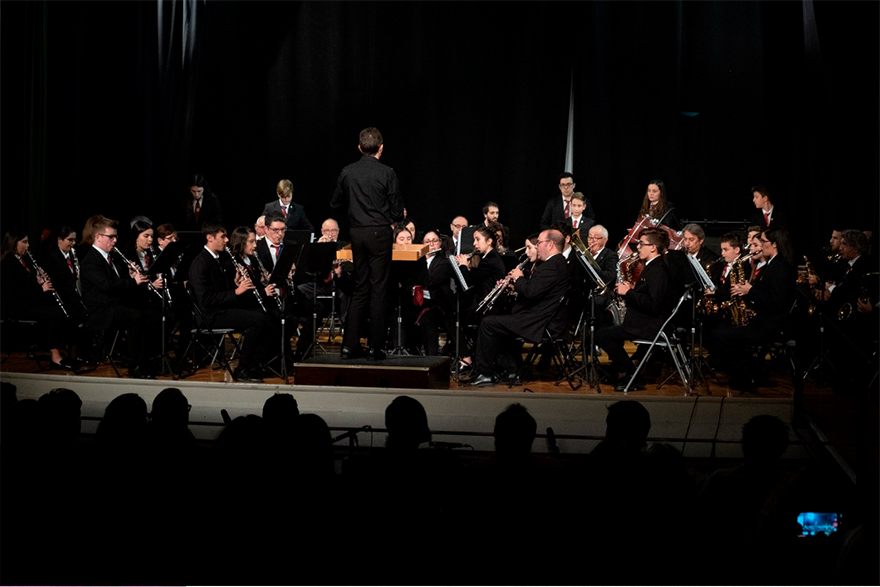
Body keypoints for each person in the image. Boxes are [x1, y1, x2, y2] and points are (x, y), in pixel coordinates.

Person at [330, 127, 404, 361]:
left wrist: (356, 212)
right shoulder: (387, 173)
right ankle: (376, 348)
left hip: (357, 233)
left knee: (361, 287)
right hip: (380, 232)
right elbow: (396, 212)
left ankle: (349, 346)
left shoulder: (347, 172)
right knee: (378, 289)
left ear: (360, 148)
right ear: (381, 148)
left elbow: (335, 204)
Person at [463, 229, 570, 385]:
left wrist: (519, 278)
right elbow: (537, 291)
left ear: (551, 244)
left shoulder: (553, 265)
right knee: (499, 321)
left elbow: (531, 292)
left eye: (539, 243)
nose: (537, 246)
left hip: (539, 322)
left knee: (488, 324)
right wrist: (513, 289)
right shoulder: (555, 264)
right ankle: (511, 370)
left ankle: (485, 373)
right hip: (536, 316)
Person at [709, 225, 797, 392]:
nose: (761, 245)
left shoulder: (781, 267)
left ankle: (748, 374)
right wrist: (746, 291)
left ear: (775, 244)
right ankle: (750, 372)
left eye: (763, 241)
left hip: (772, 324)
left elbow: (776, 302)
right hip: (762, 319)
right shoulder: (773, 264)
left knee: (721, 335)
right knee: (720, 329)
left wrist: (751, 291)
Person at [187, 223, 275, 382]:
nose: (227, 240)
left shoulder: (216, 259)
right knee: (257, 319)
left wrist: (235, 283)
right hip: (210, 316)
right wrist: (236, 292)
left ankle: (255, 364)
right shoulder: (201, 263)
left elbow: (220, 290)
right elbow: (206, 300)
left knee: (264, 316)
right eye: (222, 237)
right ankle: (242, 368)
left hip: (221, 310)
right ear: (209, 238)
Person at [79, 218, 161, 379]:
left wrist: (130, 274)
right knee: (136, 317)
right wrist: (132, 281)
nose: (115, 240)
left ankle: (148, 359)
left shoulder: (113, 257)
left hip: (115, 303)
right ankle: (135, 366)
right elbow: (106, 286)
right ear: (98, 237)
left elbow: (118, 281)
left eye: (115, 237)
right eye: (111, 237)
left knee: (154, 314)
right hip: (101, 310)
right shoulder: (90, 261)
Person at [593, 227, 672, 391]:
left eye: (642, 244)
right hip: (641, 321)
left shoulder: (658, 270)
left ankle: (631, 374)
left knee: (602, 335)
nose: (638, 247)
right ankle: (624, 371)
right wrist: (633, 289)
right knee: (605, 332)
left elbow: (653, 305)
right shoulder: (652, 266)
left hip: (648, 325)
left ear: (653, 247)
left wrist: (628, 292)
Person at [0, 230, 78, 371]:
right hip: (15, 307)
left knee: (62, 309)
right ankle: (55, 355)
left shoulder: (24, 260)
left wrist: (40, 281)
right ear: (13, 243)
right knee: (55, 314)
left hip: (28, 303)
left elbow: (27, 285)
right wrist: (40, 288)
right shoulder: (6, 263)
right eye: (24, 242)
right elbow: (14, 291)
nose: (28, 246)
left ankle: (66, 351)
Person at [416, 231, 454, 356]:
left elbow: (432, 280)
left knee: (428, 318)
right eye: (428, 242)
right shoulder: (417, 261)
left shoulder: (443, 262)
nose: (432, 244)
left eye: (435, 241)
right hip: (416, 302)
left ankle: (431, 357)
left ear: (440, 243)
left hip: (437, 304)